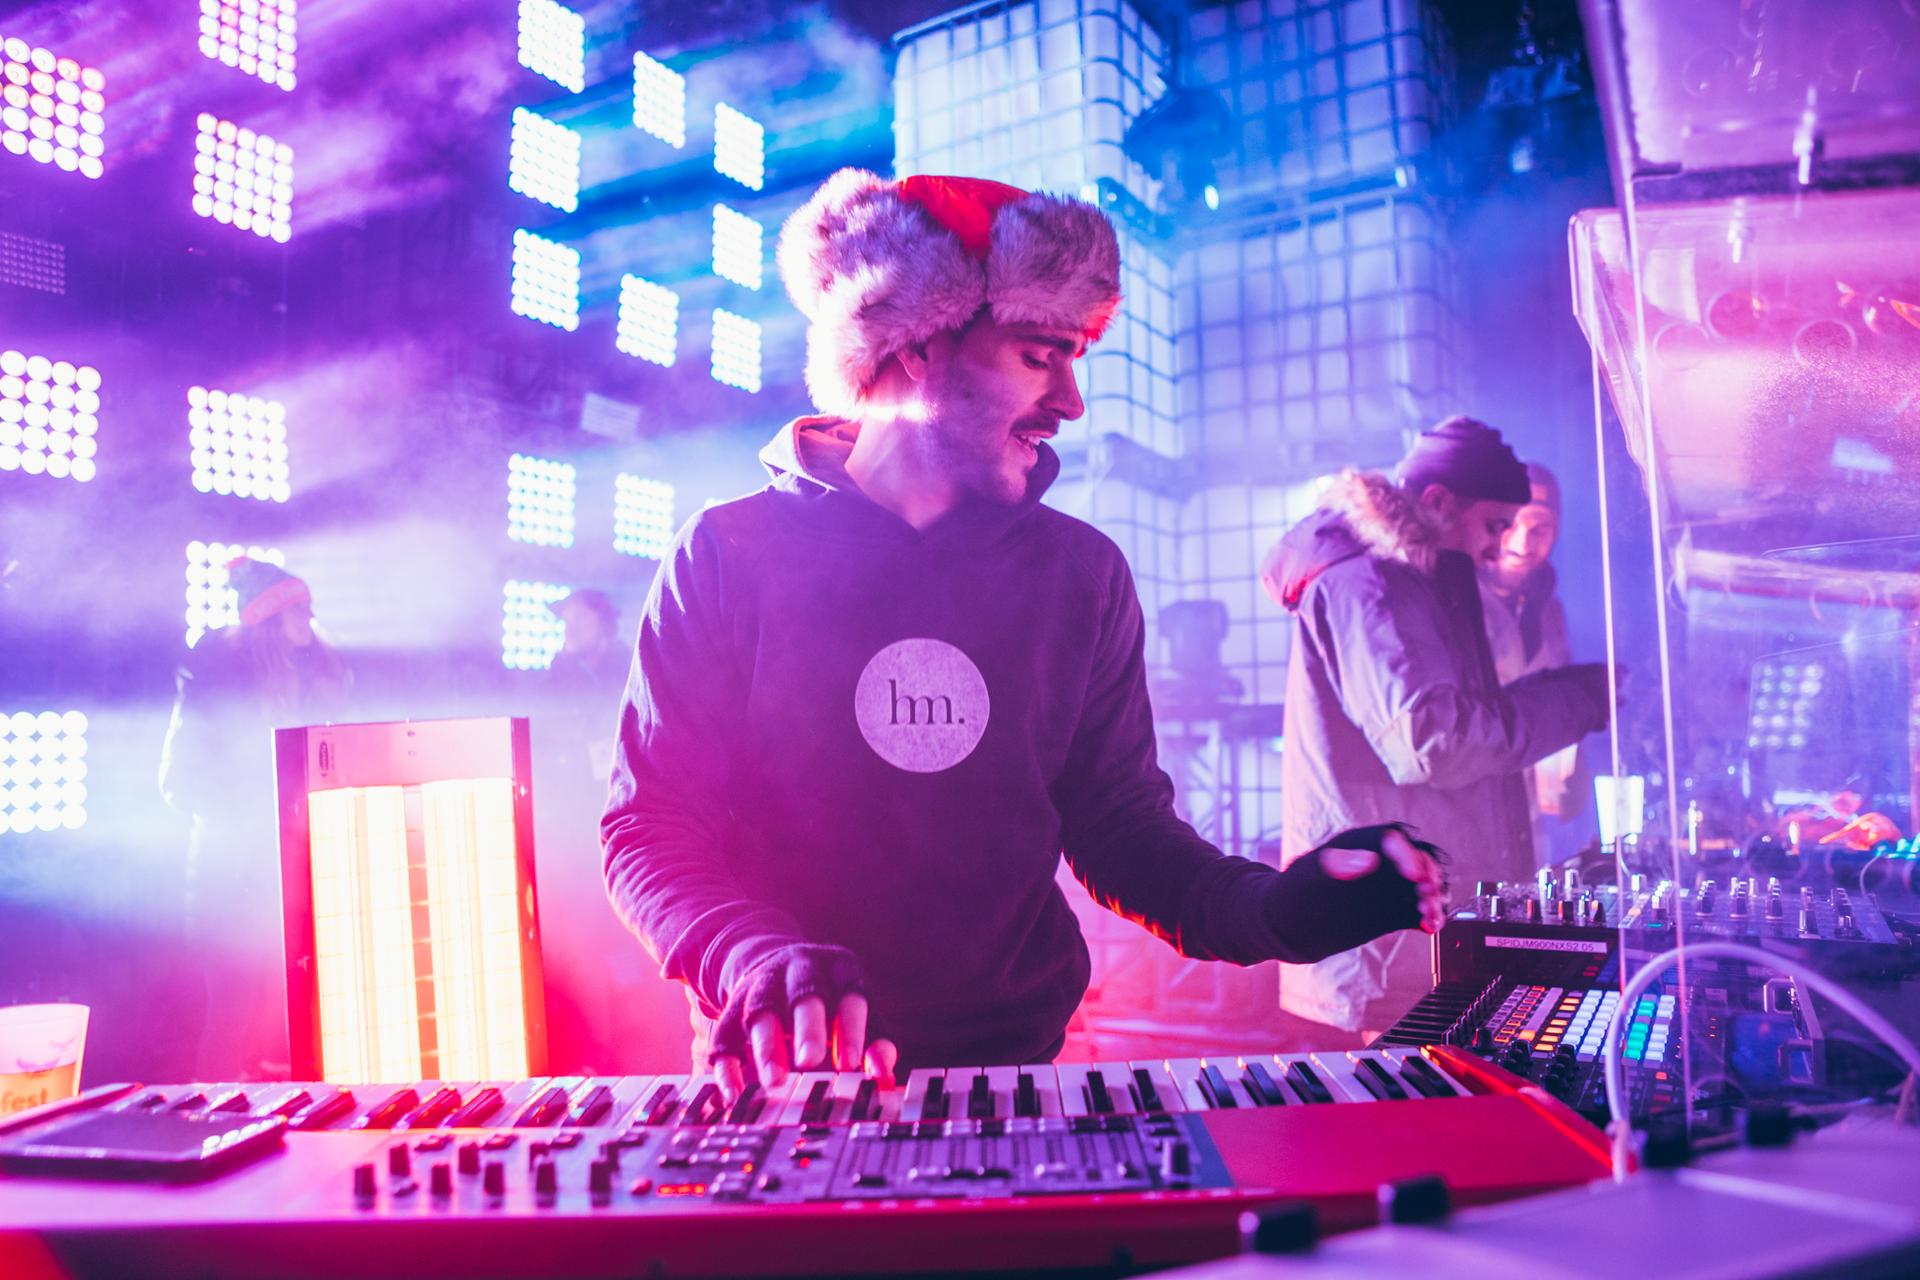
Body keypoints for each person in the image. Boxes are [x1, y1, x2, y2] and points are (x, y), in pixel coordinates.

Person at [602, 170, 1446, 1096]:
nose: (1073, 401)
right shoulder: (727, 554)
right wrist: (754, 960)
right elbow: (650, 828)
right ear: (918, 341)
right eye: (1041, 355)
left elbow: (1122, 832)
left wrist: (1275, 911)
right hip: (782, 1073)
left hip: (1016, 1073)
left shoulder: (1079, 575)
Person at [1262, 418, 1611, 1038]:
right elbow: (1433, 744)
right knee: (1402, 1115)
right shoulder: (1367, 583)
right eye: (1495, 525)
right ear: (1438, 502)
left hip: (1415, 920)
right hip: (1388, 926)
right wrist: (1574, 701)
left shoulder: (1418, 579)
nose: (1501, 544)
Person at [157, 557, 351, 1079]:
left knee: (282, 1016)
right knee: (233, 1008)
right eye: (298, 610)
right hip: (230, 878)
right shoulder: (216, 680)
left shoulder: (312, 675)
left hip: (288, 875)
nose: (310, 619)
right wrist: (255, 810)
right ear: (270, 618)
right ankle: (213, 1131)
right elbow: (178, 782)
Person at [1478, 463, 1587, 859]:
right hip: (1472, 813)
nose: (1524, 542)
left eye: (1540, 528)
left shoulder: (1549, 610)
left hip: (1532, 819)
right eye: (1513, 524)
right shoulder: (1458, 600)